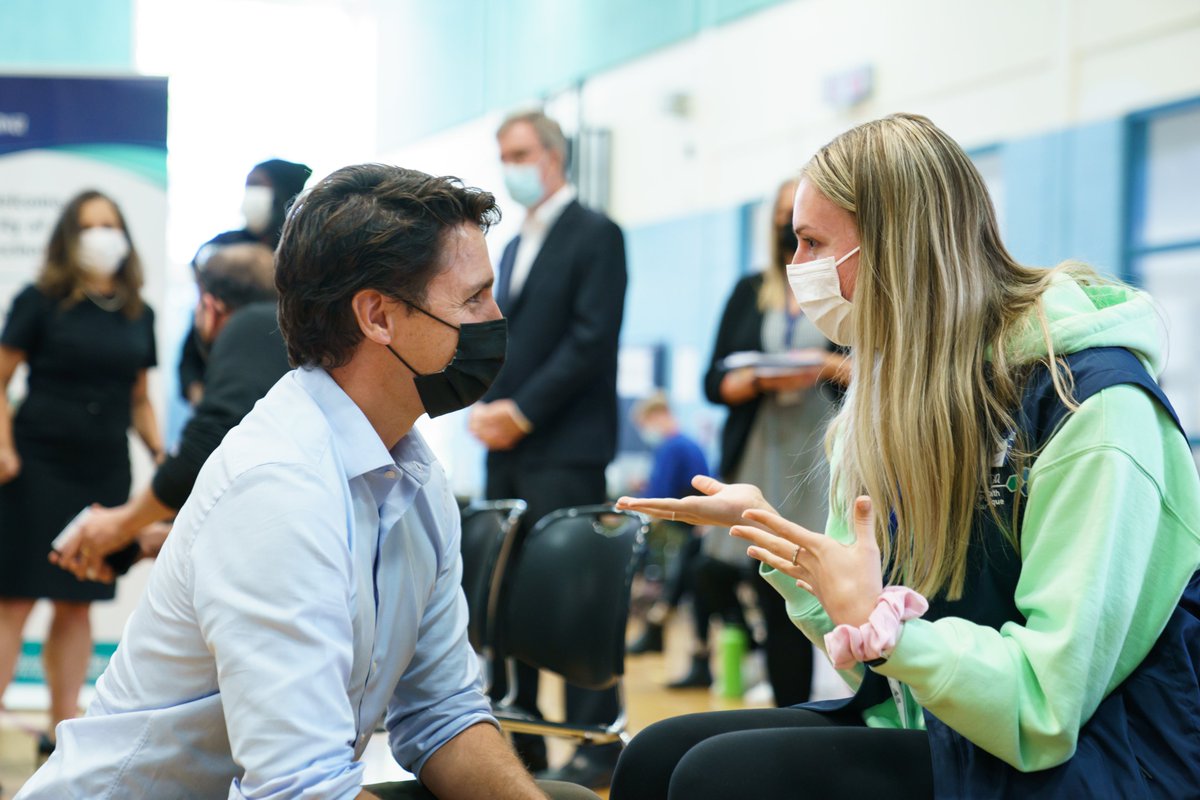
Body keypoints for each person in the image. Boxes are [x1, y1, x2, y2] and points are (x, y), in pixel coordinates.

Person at [612, 113, 1200, 799]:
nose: (795, 269)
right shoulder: (893, 391)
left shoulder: (1092, 407)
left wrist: (884, 632)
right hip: (949, 725)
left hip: (1100, 758)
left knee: (719, 781)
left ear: (896, 247)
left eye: (809, 242)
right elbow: (874, 662)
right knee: (656, 756)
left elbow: (1045, 708)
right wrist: (783, 544)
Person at [16, 165, 597, 800]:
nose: (495, 317)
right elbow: (302, 792)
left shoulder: (411, 470)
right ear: (377, 316)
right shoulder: (279, 490)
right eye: (473, 298)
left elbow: (444, 712)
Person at [468, 109, 627, 789]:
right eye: (503, 153)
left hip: (563, 443)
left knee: (573, 588)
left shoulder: (596, 234)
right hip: (505, 442)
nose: (512, 165)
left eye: (522, 152)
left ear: (554, 157)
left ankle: (596, 734)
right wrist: (480, 403)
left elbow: (591, 340)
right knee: (507, 591)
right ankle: (521, 726)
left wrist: (524, 413)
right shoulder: (510, 245)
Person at [0, 190, 162, 756]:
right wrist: (4, 449)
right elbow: (0, 377)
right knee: (15, 602)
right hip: (35, 464)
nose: (101, 235)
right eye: (89, 225)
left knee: (78, 601)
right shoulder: (39, 301)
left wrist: (164, 456)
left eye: (110, 224)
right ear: (70, 236)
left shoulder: (139, 312)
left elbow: (140, 399)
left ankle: (61, 728)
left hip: (102, 471)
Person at [688, 176, 850, 706]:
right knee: (756, 573)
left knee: (814, 576)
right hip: (761, 448)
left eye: (800, 220)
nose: (791, 229)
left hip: (820, 448)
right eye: (783, 217)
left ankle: (830, 699)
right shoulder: (750, 290)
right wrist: (754, 379)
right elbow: (714, 380)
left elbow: (872, 369)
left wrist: (824, 366)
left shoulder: (840, 287)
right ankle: (786, 705)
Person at [52, 242, 290, 580]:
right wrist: (149, 540)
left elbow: (207, 441)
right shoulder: (282, 336)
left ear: (210, 306)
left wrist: (124, 523)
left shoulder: (250, 324)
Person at [179, 158, 311, 406]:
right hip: (221, 383)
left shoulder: (303, 254)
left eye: (259, 185)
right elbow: (198, 330)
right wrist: (197, 392)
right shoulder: (221, 246)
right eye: (248, 186)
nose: (251, 194)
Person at [625, 392, 719, 689]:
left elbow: (659, 495)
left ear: (657, 416)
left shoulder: (673, 446)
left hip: (689, 532)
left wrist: (632, 501)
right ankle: (656, 624)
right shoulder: (687, 444)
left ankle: (656, 623)